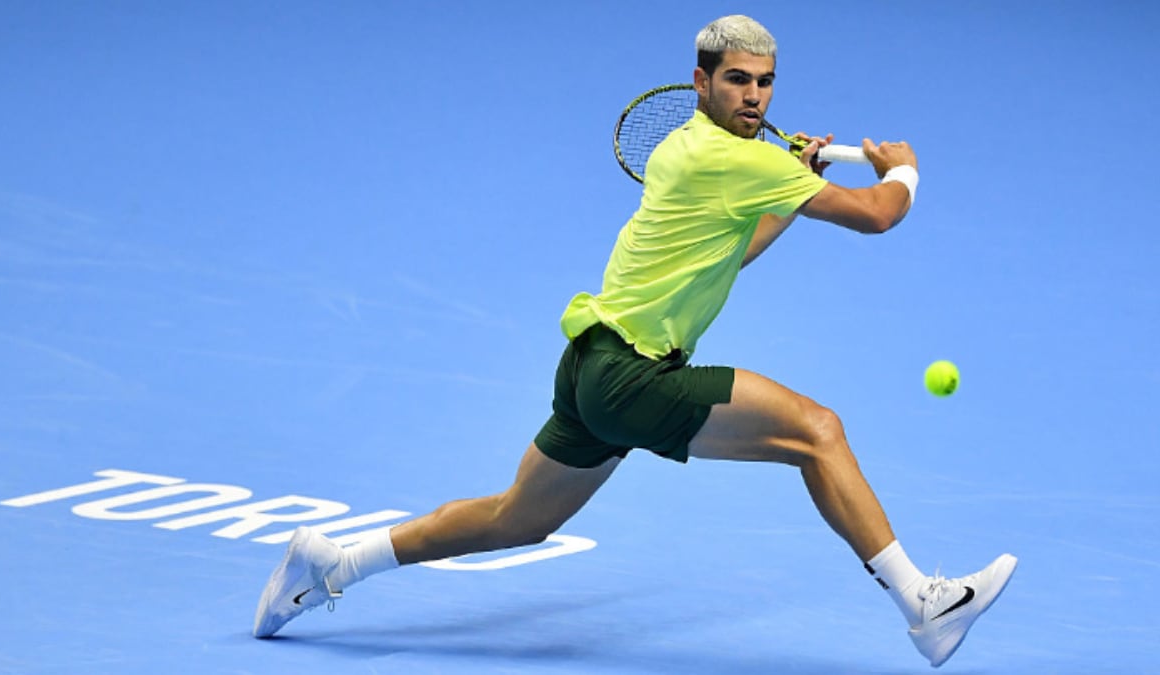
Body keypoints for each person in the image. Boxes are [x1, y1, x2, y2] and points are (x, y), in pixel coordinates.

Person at [252, 14, 1016, 668]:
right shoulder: (738, 159)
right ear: (701, 81)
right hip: (631, 376)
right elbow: (878, 213)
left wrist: (786, 182)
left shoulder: (690, 150)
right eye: (738, 81)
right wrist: (905, 171)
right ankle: (925, 604)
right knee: (818, 432)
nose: (754, 96)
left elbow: (735, 247)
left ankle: (331, 562)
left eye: (766, 82)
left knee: (518, 517)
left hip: (589, 364)